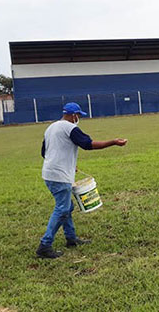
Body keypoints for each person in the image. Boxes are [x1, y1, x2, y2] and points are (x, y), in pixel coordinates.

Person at [36, 102, 127, 259]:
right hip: (59, 176)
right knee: (62, 208)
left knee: (66, 207)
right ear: (73, 115)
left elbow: (45, 152)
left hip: (50, 173)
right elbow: (88, 144)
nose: (79, 119)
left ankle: (71, 238)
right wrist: (113, 142)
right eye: (79, 116)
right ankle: (45, 245)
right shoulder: (70, 128)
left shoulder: (51, 128)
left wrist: (68, 163)